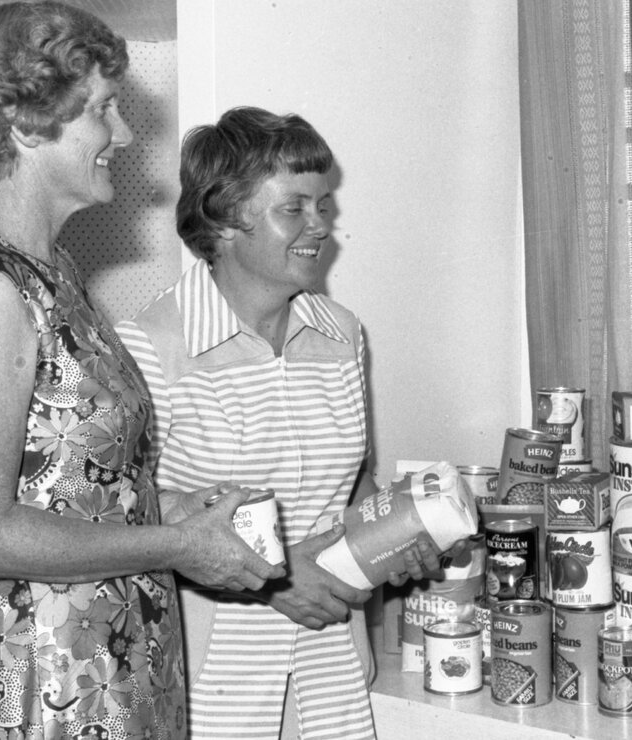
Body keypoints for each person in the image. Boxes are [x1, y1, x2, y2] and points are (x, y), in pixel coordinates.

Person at [0, 5, 284, 738]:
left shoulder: (50, 270)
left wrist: (172, 508)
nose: (124, 134)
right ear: (25, 121)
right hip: (44, 688)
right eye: (103, 109)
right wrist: (178, 546)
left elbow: (70, 487)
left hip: (111, 668)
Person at [116, 106, 442, 739]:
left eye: (323, 206)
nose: (321, 226)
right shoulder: (148, 347)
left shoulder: (341, 334)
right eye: (293, 208)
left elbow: (353, 486)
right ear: (224, 219)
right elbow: (126, 517)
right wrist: (273, 581)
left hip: (332, 662)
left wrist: (396, 539)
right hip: (211, 674)